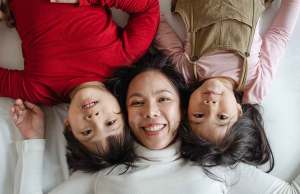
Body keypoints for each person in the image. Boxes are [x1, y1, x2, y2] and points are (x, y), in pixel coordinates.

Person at [13, 54, 300, 194]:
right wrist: (33, 140)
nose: (151, 112)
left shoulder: (216, 168)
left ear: (183, 107)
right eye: (137, 103)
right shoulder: (104, 175)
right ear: (124, 114)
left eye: (163, 99)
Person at [0, 0, 159, 169]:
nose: (94, 118)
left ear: (68, 125)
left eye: (87, 132)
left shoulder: (39, 90)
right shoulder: (123, 58)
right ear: (123, 108)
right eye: (110, 123)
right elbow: (149, 7)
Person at [154, 0, 300, 166]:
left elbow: (156, 24)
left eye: (198, 115)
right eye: (222, 117)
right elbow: (279, 34)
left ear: (186, 111)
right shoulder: (255, 82)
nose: (210, 105)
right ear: (239, 112)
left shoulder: (186, 72)